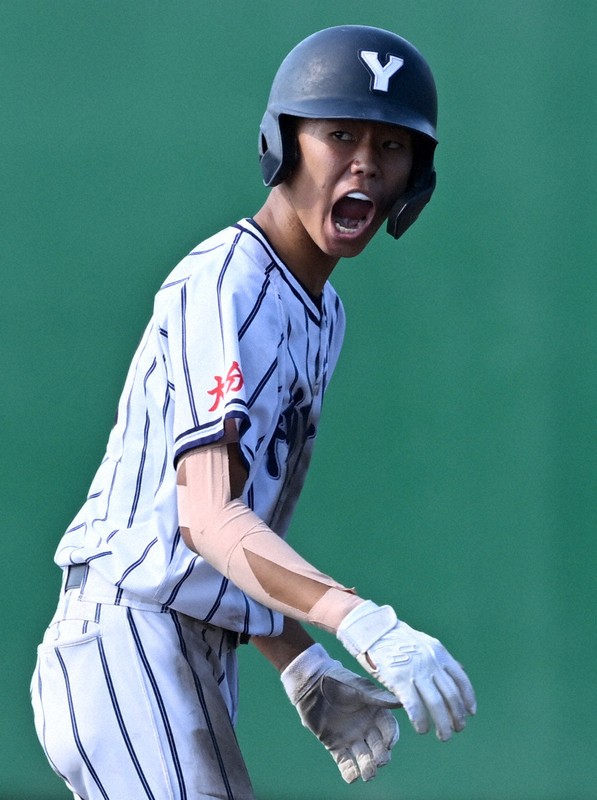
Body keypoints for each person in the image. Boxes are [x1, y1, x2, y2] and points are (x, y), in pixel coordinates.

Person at [31, 24, 476, 800]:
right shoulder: (226, 282)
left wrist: (298, 661)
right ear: (285, 145)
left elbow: (234, 534)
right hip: (124, 635)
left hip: (192, 652)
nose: (366, 160)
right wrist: (359, 621)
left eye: (391, 144)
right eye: (339, 133)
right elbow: (204, 518)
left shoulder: (322, 313)